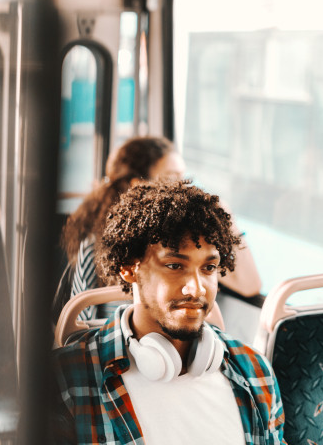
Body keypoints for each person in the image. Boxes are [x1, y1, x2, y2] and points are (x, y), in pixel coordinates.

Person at [51, 179, 286, 445]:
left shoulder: (255, 372)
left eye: (208, 268)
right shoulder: (66, 378)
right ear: (129, 269)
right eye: (175, 266)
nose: (195, 289)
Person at [54, 136, 261, 323]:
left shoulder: (194, 245)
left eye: (185, 177)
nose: (184, 186)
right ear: (138, 185)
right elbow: (81, 324)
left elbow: (249, 284)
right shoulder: (97, 246)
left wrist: (226, 218)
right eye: (172, 177)